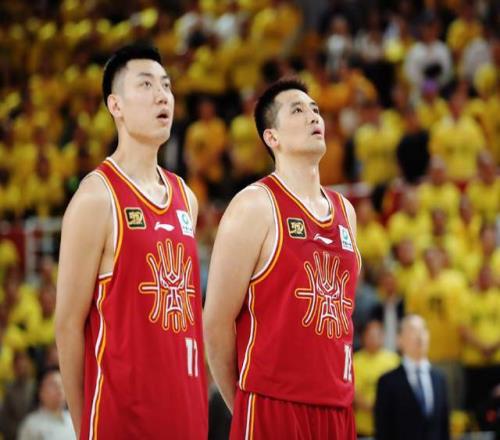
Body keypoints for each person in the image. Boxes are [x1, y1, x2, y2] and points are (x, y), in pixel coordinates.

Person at [55, 44, 207, 439]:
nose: (162, 96)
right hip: (122, 422)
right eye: (146, 85)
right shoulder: (96, 197)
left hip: (187, 415)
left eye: (166, 86)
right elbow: (68, 325)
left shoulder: (186, 197)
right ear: (116, 105)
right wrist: (84, 426)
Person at [204, 78, 360, 439]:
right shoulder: (254, 205)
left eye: (315, 109)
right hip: (272, 405)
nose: (313, 116)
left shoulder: (346, 212)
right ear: (271, 137)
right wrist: (245, 406)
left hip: (337, 408)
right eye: (298, 110)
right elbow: (215, 323)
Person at [375, 314, 450, 440]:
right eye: (413, 330)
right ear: (399, 339)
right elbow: (383, 430)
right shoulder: (387, 382)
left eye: (423, 329)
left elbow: (444, 428)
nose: (420, 335)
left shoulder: (439, 379)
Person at [17, 367, 74, 440]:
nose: (59, 389)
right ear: (40, 391)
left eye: (62, 384)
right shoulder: (31, 425)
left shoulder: (73, 420)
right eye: (53, 384)